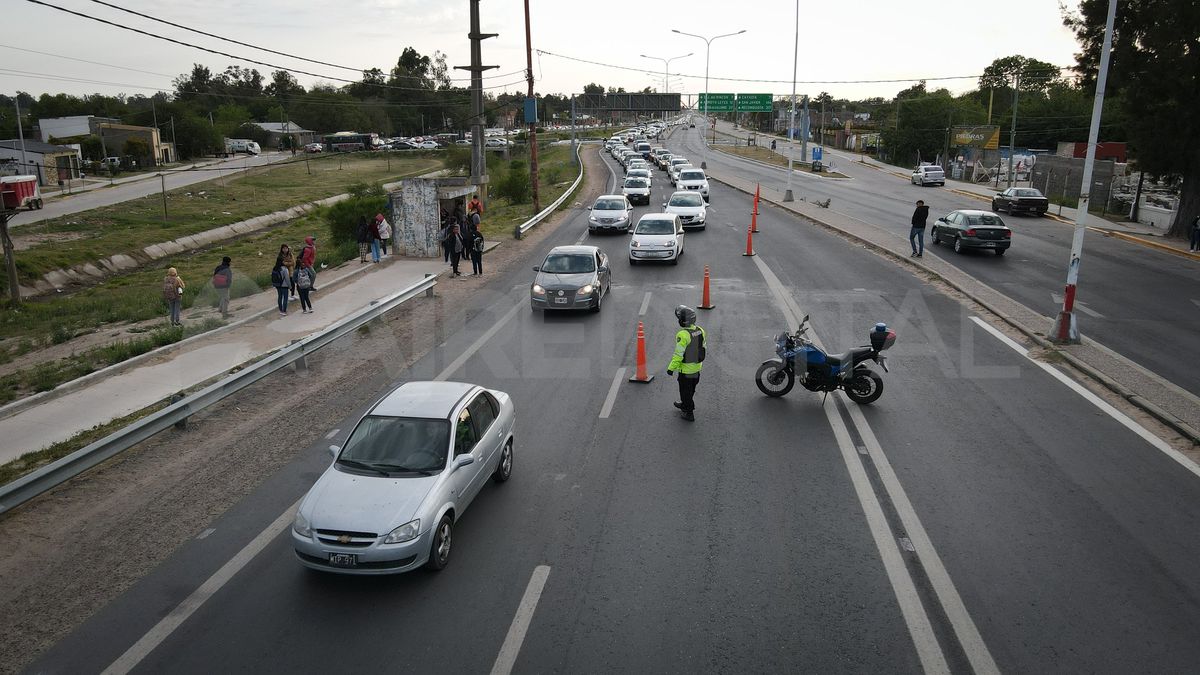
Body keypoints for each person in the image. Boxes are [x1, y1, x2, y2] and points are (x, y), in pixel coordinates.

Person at [666, 305, 707, 422]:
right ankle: (685, 403)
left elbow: (678, 354)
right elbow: (703, 347)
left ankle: (689, 412)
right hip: (697, 368)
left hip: (686, 371)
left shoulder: (682, 335)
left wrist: (671, 368)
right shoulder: (700, 330)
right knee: (691, 389)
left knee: (685, 391)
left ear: (682, 322)